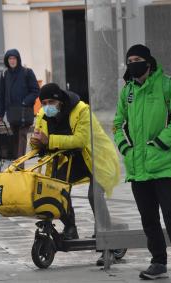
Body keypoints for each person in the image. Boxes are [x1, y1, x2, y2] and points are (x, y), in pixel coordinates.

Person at [113, 44, 171, 281]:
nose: (132, 64)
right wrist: (125, 148)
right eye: (129, 60)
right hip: (138, 169)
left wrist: (159, 144)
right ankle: (158, 262)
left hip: (164, 165)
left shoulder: (168, 84)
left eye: (137, 59)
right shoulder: (127, 90)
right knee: (148, 218)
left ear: (148, 61)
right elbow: (118, 123)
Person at [30, 82, 121, 266]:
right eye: (44, 102)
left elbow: (80, 140)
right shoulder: (42, 115)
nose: (47, 106)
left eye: (51, 102)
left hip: (97, 158)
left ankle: (107, 240)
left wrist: (49, 140)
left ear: (60, 101)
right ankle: (70, 227)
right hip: (74, 160)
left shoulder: (81, 110)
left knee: (94, 195)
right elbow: (39, 138)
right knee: (55, 187)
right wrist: (36, 143)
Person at [0, 49, 39, 160]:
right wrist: (0, 115)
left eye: (14, 58)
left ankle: (20, 165)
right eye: (9, 58)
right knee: (15, 138)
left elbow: (35, 90)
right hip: (12, 113)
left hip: (25, 112)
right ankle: (16, 163)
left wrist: (25, 102)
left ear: (18, 59)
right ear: (7, 60)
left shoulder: (27, 72)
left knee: (22, 136)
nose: (12, 61)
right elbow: (2, 95)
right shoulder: (4, 74)